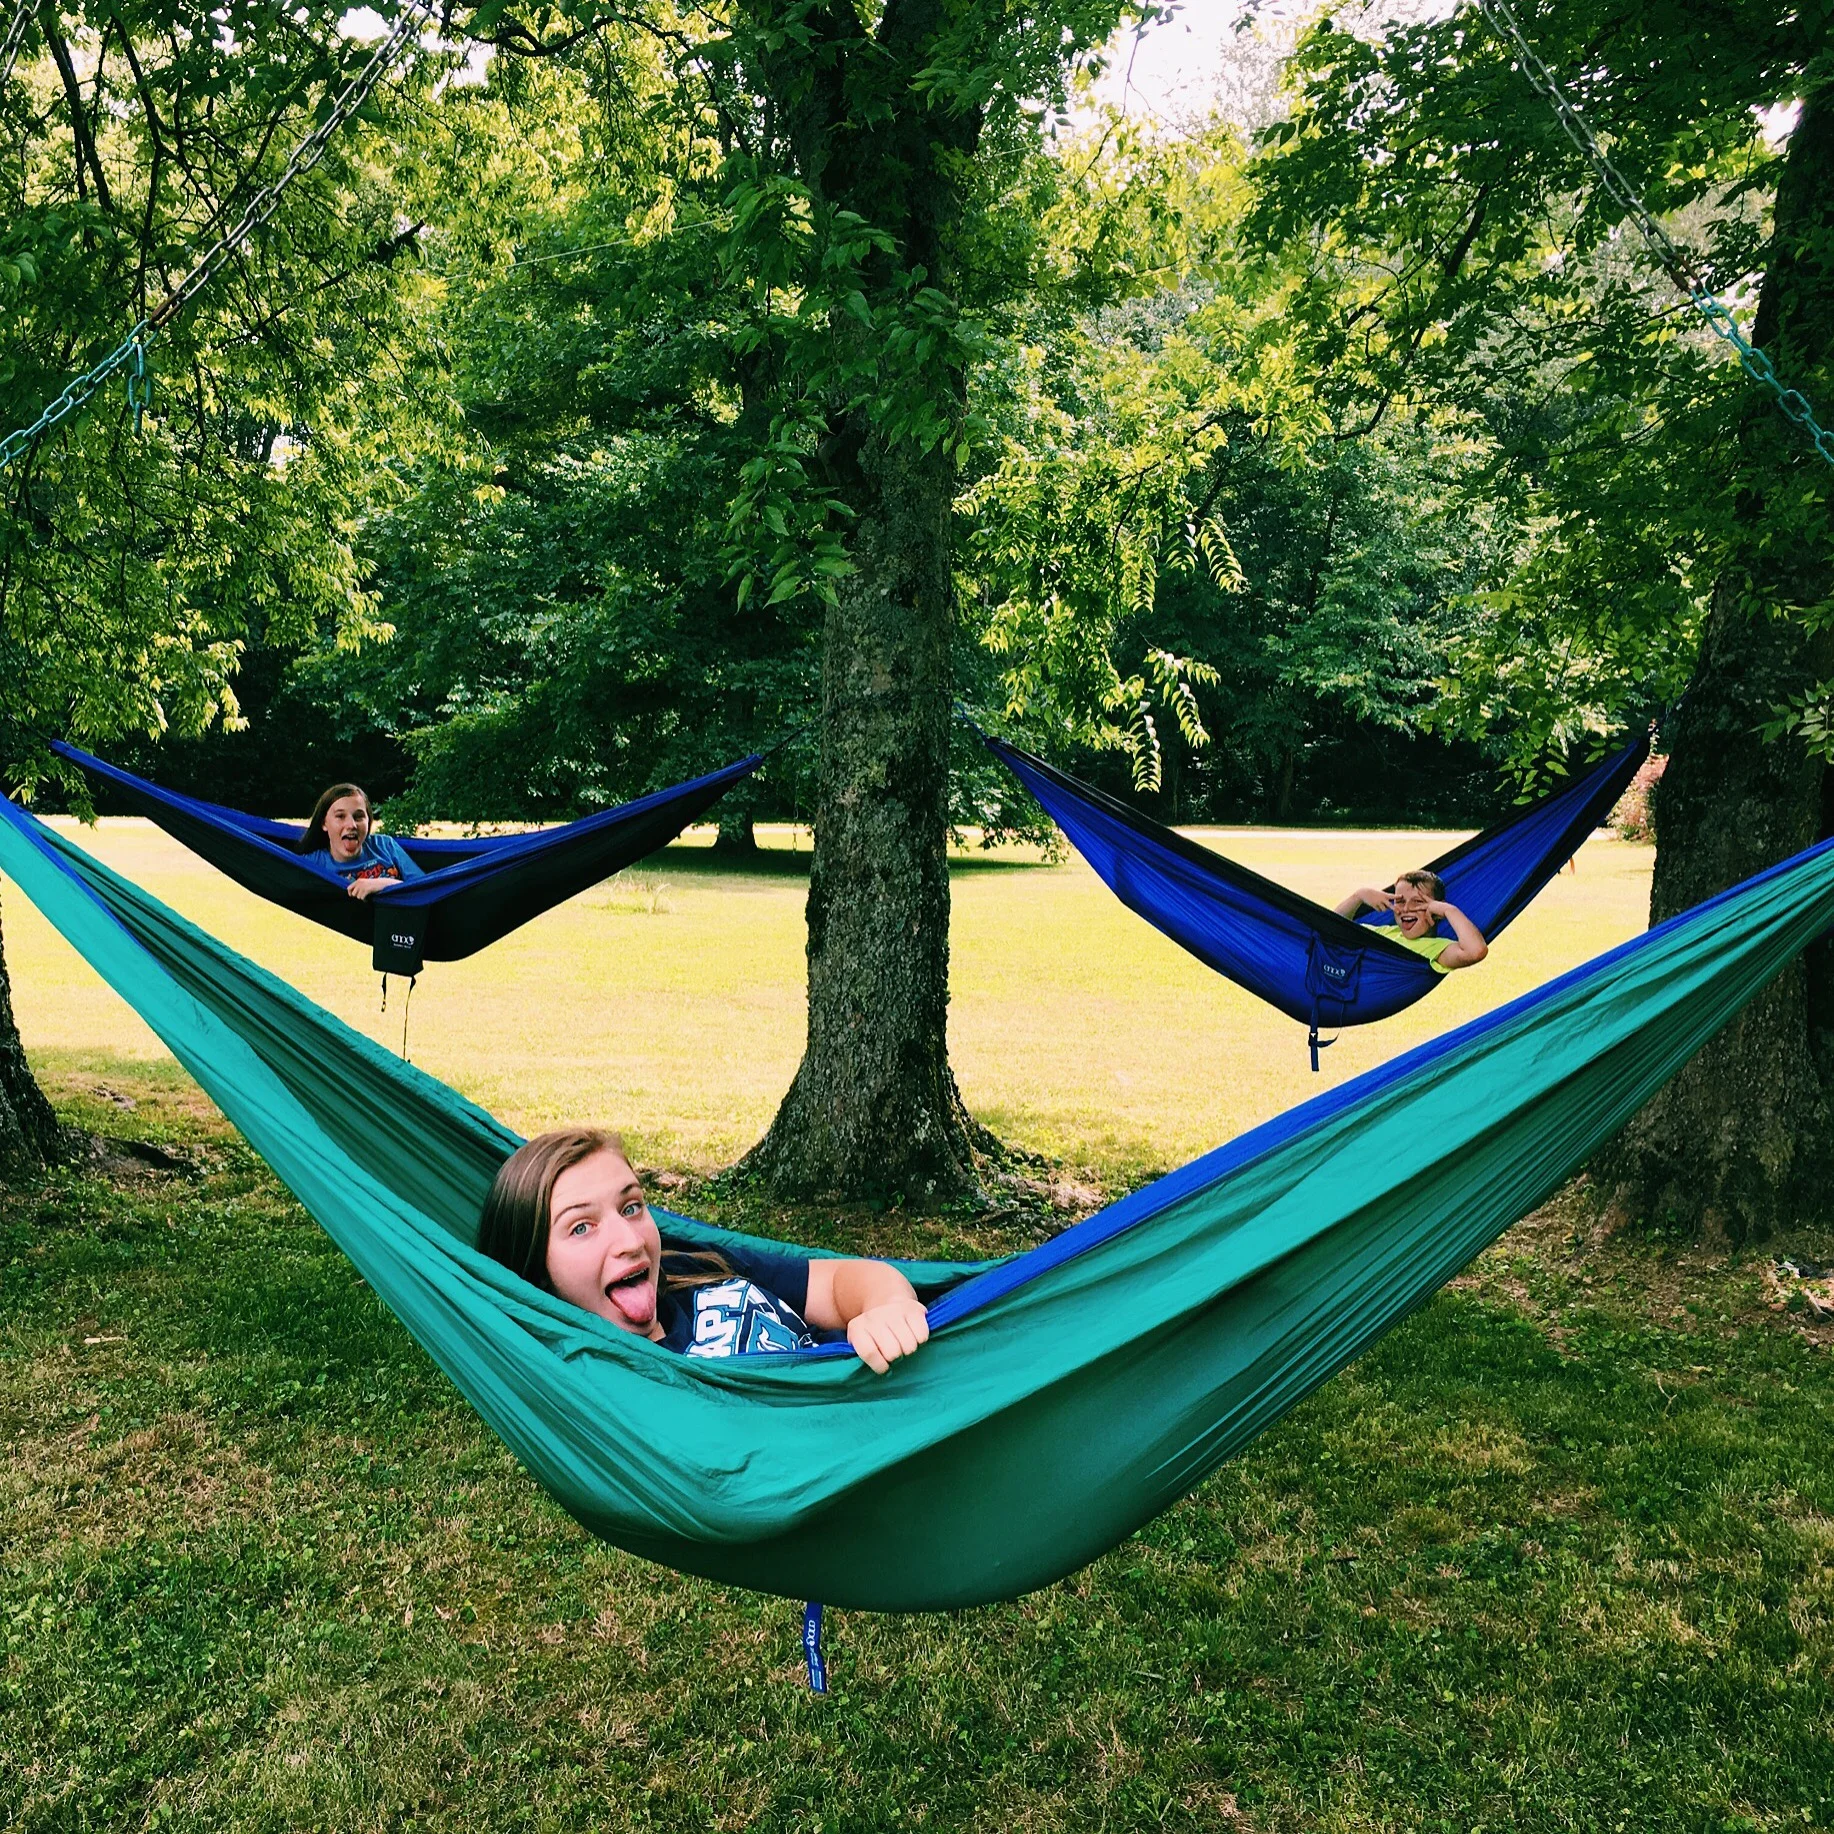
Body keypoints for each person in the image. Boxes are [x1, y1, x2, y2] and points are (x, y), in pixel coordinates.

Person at [476, 1128, 932, 1373]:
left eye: (631, 1206)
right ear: (536, 1276)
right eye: (581, 1227)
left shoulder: (689, 1267)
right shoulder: (618, 1386)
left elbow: (835, 1282)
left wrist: (885, 1305)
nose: (631, 1241)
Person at [1334, 868, 1488, 973]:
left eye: (1418, 902)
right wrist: (1359, 896)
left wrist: (1449, 910)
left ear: (1436, 909)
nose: (1406, 909)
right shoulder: (1385, 931)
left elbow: (1475, 951)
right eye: (1400, 901)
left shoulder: (1436, 949)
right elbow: (1331, 929)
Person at [299, 782, 424, 901]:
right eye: (340, 816)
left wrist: (384, 884)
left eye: (359, 817)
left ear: (368, 821)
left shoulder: (385, 846)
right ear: (324, 823)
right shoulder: (312, 863)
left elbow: (425, 889)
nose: (352, 825)